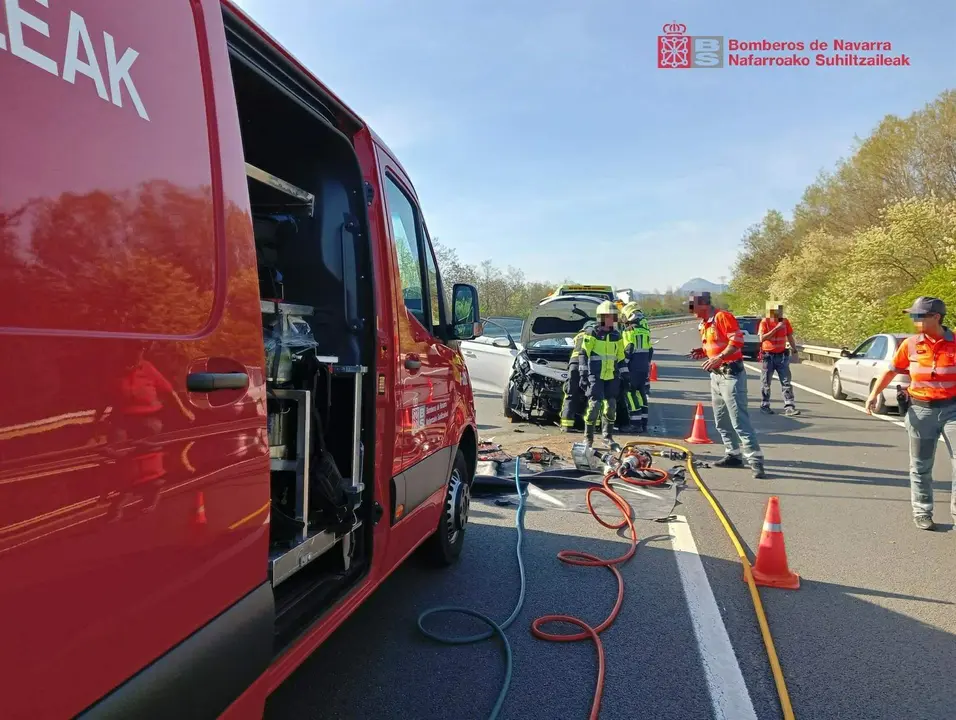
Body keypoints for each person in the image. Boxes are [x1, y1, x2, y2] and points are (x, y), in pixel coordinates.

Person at [866, 296, 956, 532]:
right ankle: (922, 511)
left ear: (936, 317)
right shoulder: (911, 344)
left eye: (918, 316)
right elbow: (891, 371)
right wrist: (874, 394)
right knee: (920, 465)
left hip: (952, 411)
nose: (914, 320)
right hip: (920, 411)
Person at [688, 292, 766, 478]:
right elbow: (717, 343)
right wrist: (704, 351)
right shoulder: (704, 324)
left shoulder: (722, 317)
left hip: (731, 375)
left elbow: (737, 342)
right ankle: (733, 454)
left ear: (704, 304)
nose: (690, 310)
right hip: (716, 377)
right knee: (721, 420)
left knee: (739, 421)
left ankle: (756, 460)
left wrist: (719, 357)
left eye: (693, 306)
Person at [580, 301, 628, 449]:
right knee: (594, 406)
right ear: (601, 317)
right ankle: (588, 438)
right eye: (609, 316)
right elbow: (583, 354)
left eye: (614, 316)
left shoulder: (616, 335)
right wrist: (583, 373)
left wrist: (625, 375)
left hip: (611, 376)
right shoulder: (592, 333)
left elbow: (620, 357)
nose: (612, 320)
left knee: (611, 406)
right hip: (596, 375)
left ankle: (608, 437)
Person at [758, 302, 800, 416]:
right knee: (766, 382)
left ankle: (789, 406)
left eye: (780, 310)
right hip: (768, 356)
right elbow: (762, 338)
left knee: (786, 381)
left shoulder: (785, 322)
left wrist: (794, 350)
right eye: (777, 310)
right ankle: (765, 405)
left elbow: (790, 336)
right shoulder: (765, 322)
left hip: (782, 356)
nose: (779, 313)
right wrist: (776, 328)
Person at [559, 320, 597, 432]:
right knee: (593, 396)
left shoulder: (578, 336)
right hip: (587, 366)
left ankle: (566, 424)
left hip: (573, 366)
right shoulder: (593, 335)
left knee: (570, 394)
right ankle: (594, 425)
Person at [620, 302, 652, 433]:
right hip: (643, 367)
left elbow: (629, 349)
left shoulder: (629, 331)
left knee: (630, 393)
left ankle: (635, 424)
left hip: (632, 368)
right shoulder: (645, 331)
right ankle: (644, 422)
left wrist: (623, 365)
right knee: (641, 393)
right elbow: (650, 350)